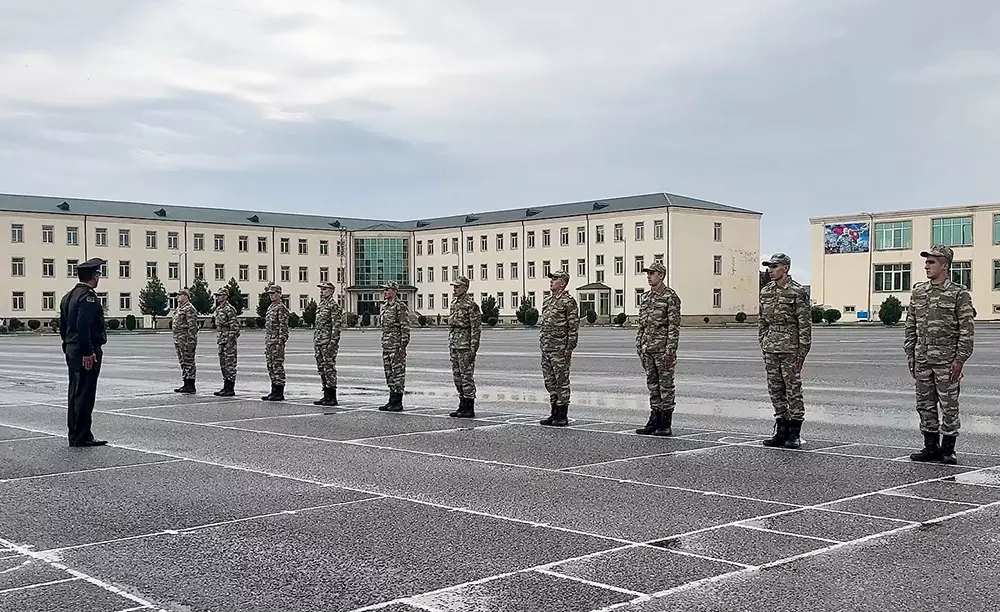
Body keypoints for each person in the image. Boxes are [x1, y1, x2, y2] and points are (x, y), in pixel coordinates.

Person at [904, 244, 975, 465]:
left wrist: (960, 358)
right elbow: (911, 324)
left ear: (944, 265)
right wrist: (911, 353)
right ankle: (930, 447)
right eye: (926, 261)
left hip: (947, 361)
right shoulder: (918, 291)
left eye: (931, 261)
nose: (926, 265)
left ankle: (948, 449)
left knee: (949, 405)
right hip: (922, 358)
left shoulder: (958, 293)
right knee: (924, 404)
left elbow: (966, 329)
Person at [758, 252, 811, 448]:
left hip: (790, 347)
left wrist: (802, 351)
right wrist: (763, 341)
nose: (770, 271)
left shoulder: (797, 292)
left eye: (774, 267)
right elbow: (762, 321)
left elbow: (804, 324)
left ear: (785, 268)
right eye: (769, 267)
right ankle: (781, 429)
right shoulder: (766, 291)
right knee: (775, 388)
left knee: (793, 389)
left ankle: (794, 432)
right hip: (771, 346)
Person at [59, 258, 109, 447]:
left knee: (75, 391)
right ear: (94, 277)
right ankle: (82, 436)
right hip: (86, 350)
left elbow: (63, 327)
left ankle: (75, 433)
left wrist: (68, 345)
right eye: (98, 275)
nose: (98, 278)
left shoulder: (68, 296)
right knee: (85, 393)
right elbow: (84, 325)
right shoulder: (88, 296)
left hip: (72, 348)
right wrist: (88, 351)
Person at [634, 262, 681, 436]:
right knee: (653, 385)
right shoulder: (646, 297)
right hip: (647, 348)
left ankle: (665, 422)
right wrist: (639, 344)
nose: (648, 276)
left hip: (662, 350)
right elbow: (642, 325)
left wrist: (670, 351)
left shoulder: (670, 297)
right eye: (648, 273)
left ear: (660, 275)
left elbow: (673, 327)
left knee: (665, 386)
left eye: (652, 273)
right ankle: (654, 418)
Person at [539, 270, 579, 426]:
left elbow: (573, 327)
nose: (551, 281)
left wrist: (569, 348)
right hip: (547, 347)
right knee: (550, 381)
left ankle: (562, 414)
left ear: (562, 283)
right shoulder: (547, 300)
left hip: (560, 348)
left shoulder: (568, 302)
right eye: (551, 279)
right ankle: (554, 412)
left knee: (561, 380)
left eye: (555, 279)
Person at [447, 275, 481, 418]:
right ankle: (462, 404)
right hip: (455, 345)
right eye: (454, 286)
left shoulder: (471, 305)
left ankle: (469, 405)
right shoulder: (454, 303)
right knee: (457, 377)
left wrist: (473, 348)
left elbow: (476, 328)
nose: (454, 289)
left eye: (457, 286)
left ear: (465, 288)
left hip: (465, 346)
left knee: (466, 376)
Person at [378, 281, 410, 412]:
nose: (385, 292)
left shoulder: (400, 306)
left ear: (394, 291)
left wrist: (402, 347)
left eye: (387, 289)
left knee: (398, 373)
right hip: (386, 345)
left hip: (396, 345)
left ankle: (398, 401)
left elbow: (405, 327)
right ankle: (391, 399)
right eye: (384, 290)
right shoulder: (385, 306)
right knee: (389, 373)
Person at [313, 281, 344, 407]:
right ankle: (326, 394)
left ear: (331, 291)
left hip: (328, 343)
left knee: (329, 368)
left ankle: (332, 396)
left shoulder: (333, 306)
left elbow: (336, 327)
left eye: (324, 289)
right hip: (319, 342)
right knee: (321, 369)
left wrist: (333, 344)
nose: (322, 291)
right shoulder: (321, 305)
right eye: (321, 289)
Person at [261, 284, 289, 401]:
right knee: (271, 366)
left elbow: (283, 327)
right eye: (270, 294)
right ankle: (273, 390)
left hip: (277, 342)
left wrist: (280, 341)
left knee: (277, 366)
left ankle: (279, 391)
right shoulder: (271, 307)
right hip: (270, 342)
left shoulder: (281, 308)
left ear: (279, 294)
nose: (271, 296)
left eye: (273, 293)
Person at [171, 288, 199, 393]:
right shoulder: (179, 308)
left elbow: (192, 327)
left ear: (186, 296)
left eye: (180, 295)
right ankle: (186, 383)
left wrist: (190, 341)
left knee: (189, 361)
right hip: (179, 339)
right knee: (183, 361)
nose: (178, 296)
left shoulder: (189, 309)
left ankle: (191, 384)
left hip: (186, 339)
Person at [213, 287, 240, 397]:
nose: (218, 297)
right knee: (223, 364)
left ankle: (230, 387)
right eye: (217, 295)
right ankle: (225, 386)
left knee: (230, 364)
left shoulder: (230, 309)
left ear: (225, 296)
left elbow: (235, 327)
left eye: (220, 295)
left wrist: (230, 340)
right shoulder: (219, 309)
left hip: (229, 341)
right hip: (221, 340)